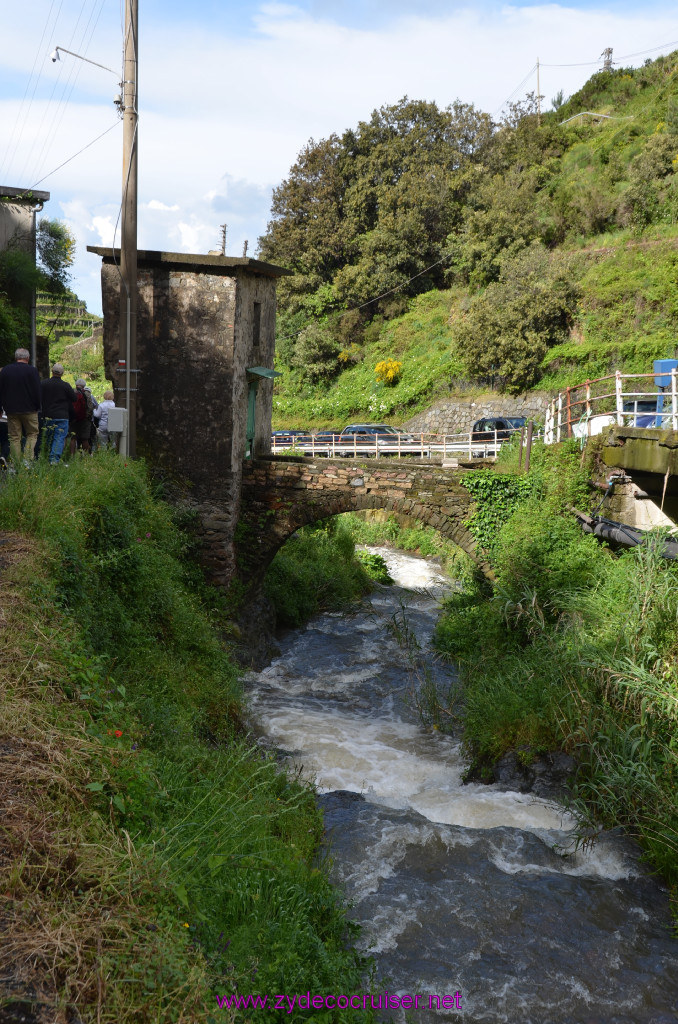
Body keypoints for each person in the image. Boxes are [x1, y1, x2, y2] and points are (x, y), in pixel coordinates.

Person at [0, 347, 41, 465]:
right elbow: (37, 391)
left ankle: (16, 464)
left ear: (16, 357)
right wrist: (38, 406)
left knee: (14, 437)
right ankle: (27, 461)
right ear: (27, 358)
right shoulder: (32, 371)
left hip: (11, 410)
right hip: (30, 409)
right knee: (32, 434)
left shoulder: (6, 370)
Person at [40, 363, 76, 465]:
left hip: (47, 415)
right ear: (62, 373)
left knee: (47, 436)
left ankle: (45, 455)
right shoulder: (66, 385)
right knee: (59, 438)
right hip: (62, 415)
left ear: (52, 371)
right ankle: (54, 459)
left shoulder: (43, 384)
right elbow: (74, 398)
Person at [70, 378, 95, 454]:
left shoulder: (72, 392)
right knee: (85, 439)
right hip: (85, 420)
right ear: (84, 386)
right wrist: (87, 416)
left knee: (73, 438)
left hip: (73, 419)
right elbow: (90, 407)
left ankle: (72, 457)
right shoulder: (87, 394)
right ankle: (86, 457)